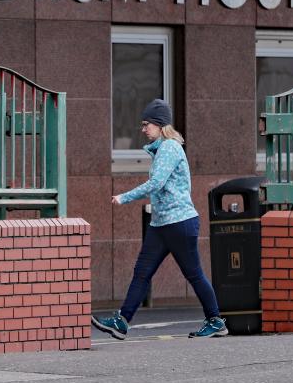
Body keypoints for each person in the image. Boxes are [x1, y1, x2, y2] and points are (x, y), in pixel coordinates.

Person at [92, 99, 228, 340]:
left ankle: (215, 320)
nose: (143, 129)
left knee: (194, 274)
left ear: (159, 124)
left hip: (179, 223)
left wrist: (125, 197)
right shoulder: (162, 148)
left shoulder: (170, 148)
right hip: (161, 224)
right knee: (142, 272)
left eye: (147, 124)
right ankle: (122, 322)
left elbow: (156, 183)